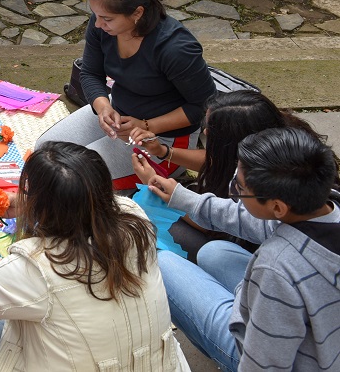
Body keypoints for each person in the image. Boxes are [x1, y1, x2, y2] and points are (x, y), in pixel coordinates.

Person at [0, 142, 189, 371]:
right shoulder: (134, 217)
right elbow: (92, 204)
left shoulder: (38, 268)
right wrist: (32, 206)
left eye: (28, 192)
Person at [134, 127, 340, 372]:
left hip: (277, 359)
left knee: (166, 265)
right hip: (323, 335)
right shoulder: (323, 204)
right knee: (215, 252)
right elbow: (249, 219)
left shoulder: (277, 266)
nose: (234, 192)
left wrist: (252, 300)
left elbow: (263, 365)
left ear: (277, 207)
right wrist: (181, 196)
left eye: (239, 188)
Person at [35, 0, 216, 188]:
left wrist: (147, 126)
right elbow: (91, 72)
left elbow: (204, 106)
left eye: (107, 19)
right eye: (96, 15)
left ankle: (168, 171)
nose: (98, 24)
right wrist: (103, 108)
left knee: (74, 176)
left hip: (164, 137)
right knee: (44, 150)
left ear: (137, 13)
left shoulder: (175, 48)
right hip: (120, 112)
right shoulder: (102, 24)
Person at [130, 90, 324, 258]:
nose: (205, 130)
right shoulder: (285, 144)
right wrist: (163, 152)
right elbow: (218, 164)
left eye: (212, 129)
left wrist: (160, 191)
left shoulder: (261, 188)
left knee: (152, 227)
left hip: (237, 244)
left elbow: (222, 223)